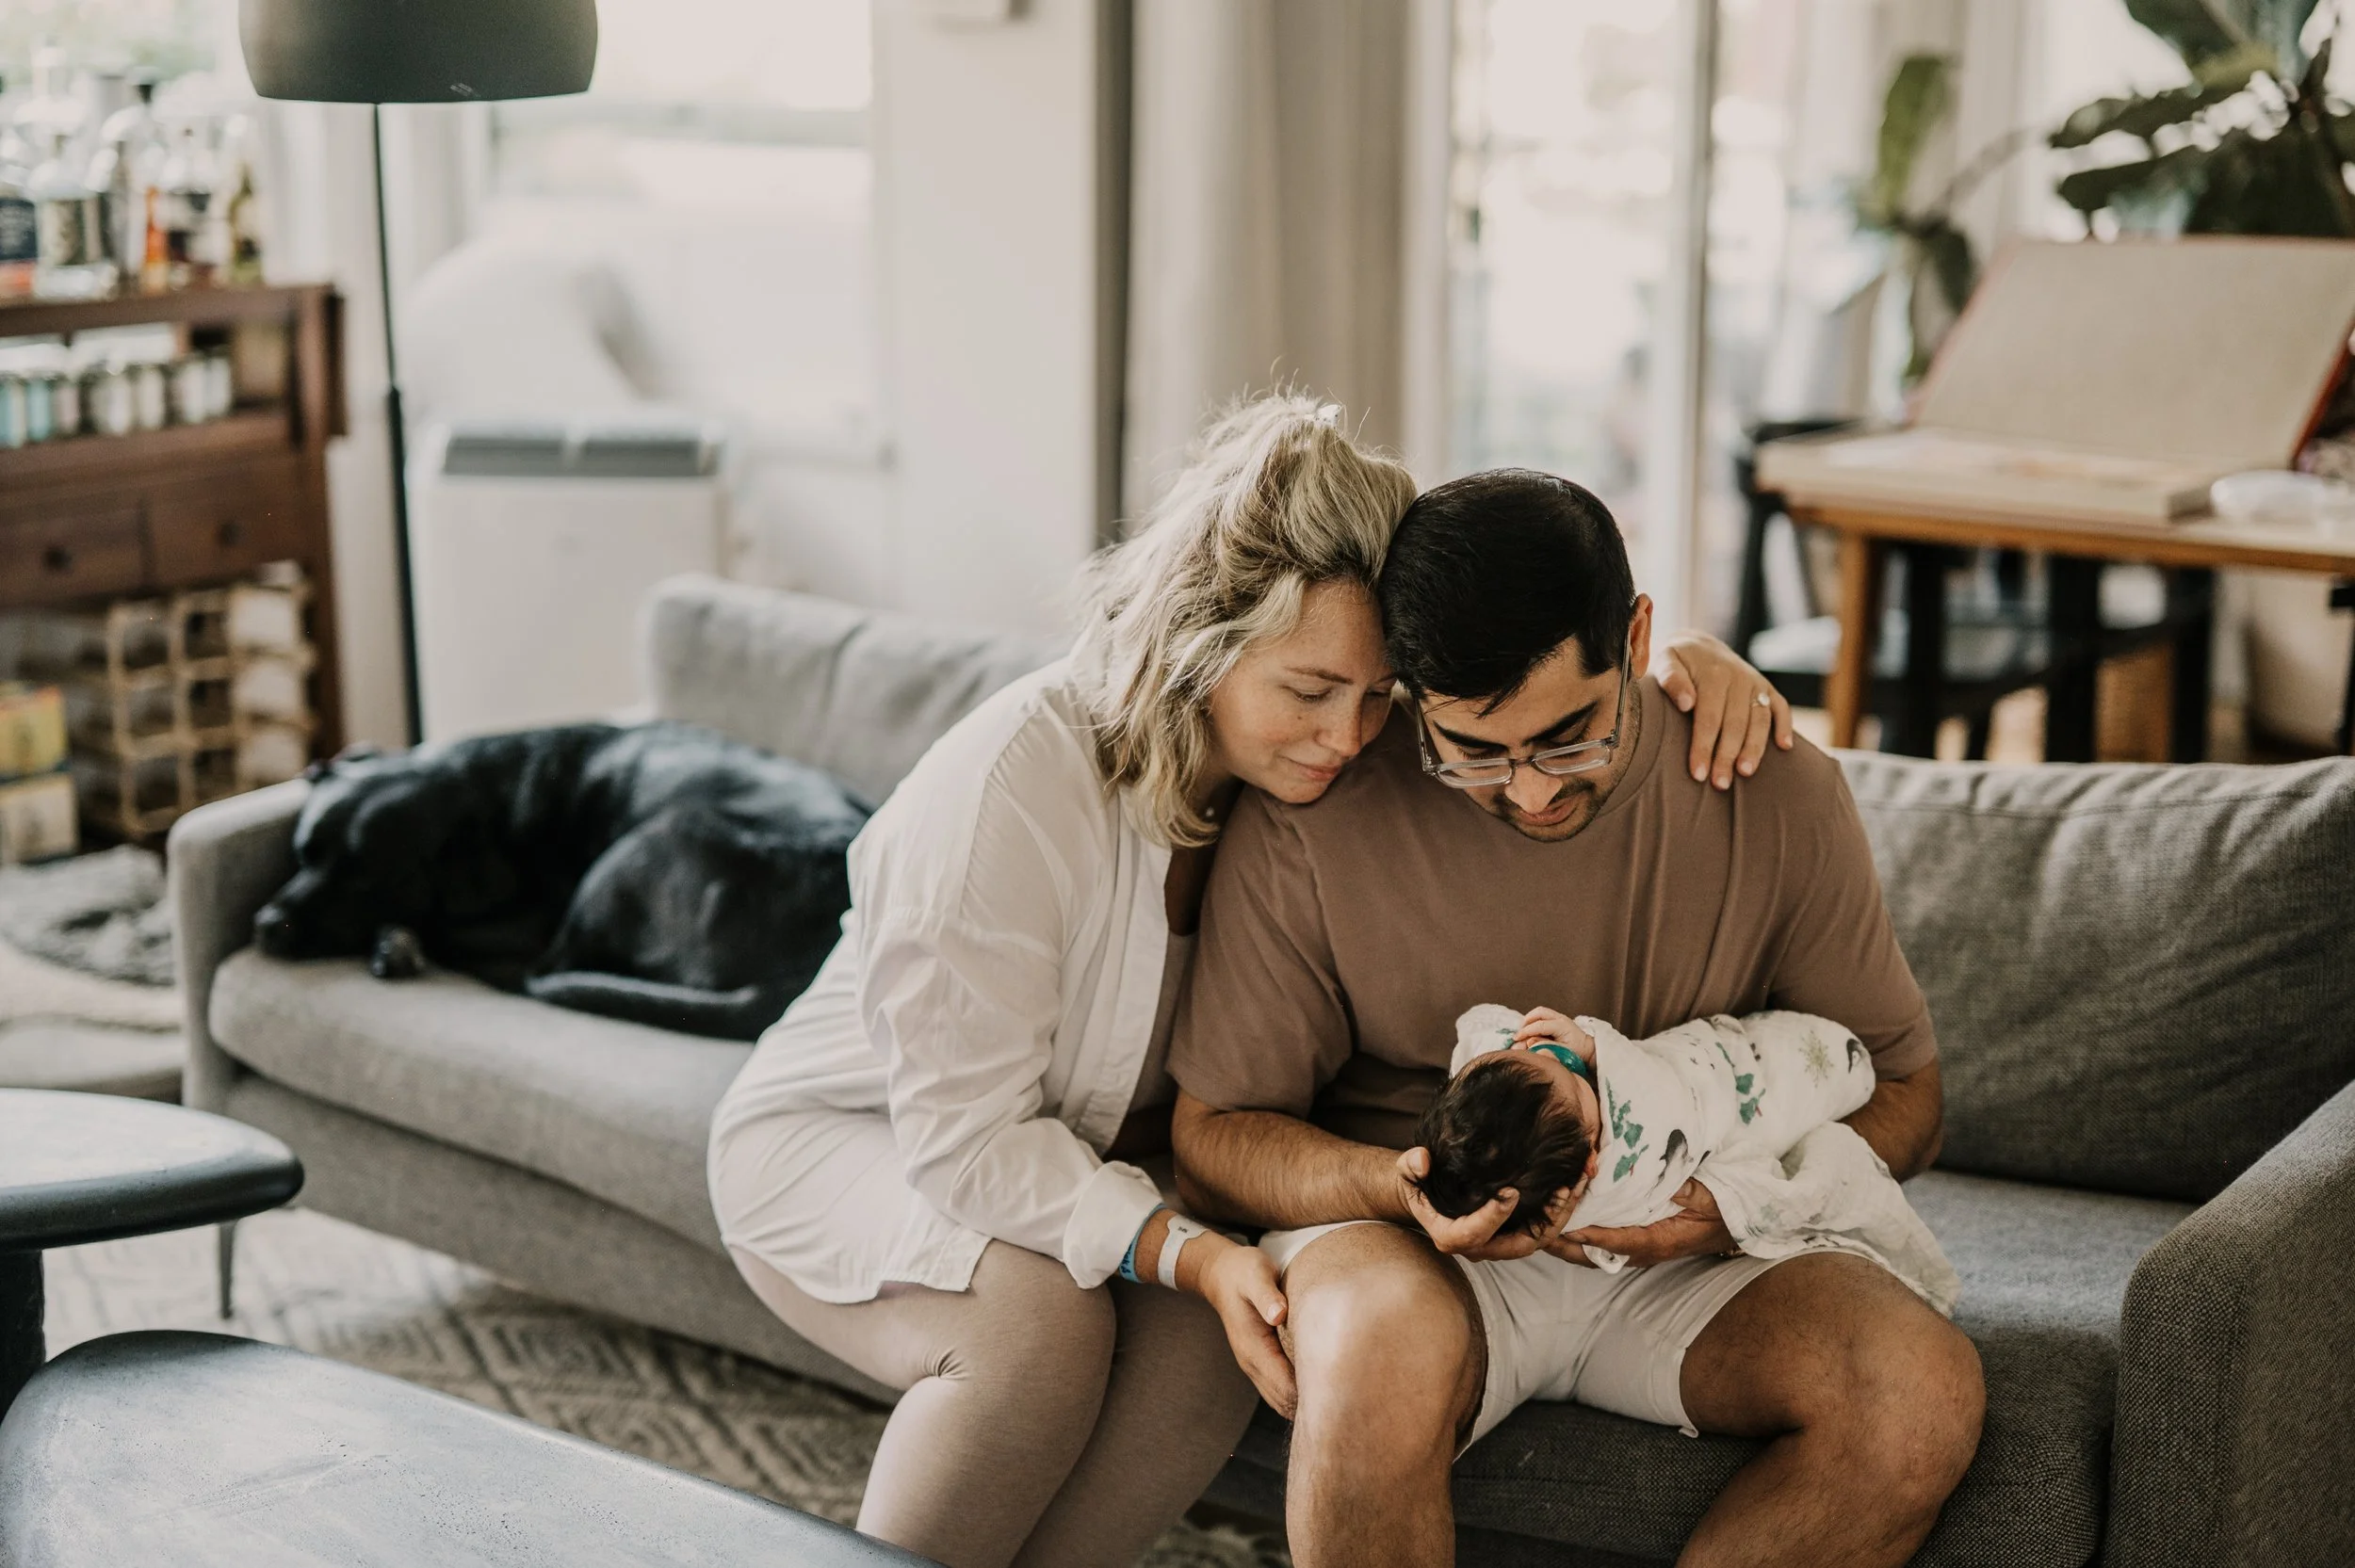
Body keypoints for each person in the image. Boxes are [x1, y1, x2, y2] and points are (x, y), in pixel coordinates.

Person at [706, 402, 1794, 1568]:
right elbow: (964, 1146)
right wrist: (1195, 1248)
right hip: (866, 1144)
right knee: (1039, 1333)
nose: (1348, 734)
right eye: (1311, 689)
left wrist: (1675, 670)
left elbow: (1529, 657)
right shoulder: (1006, 796)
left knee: (1203, 1350)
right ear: (1200, 641)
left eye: (1378, 696)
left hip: (1084, 1169)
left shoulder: (1337, 760)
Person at [1169, 467, 1985, 1568]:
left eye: (1569, 737)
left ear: (1638, 635)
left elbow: (1911, 1102)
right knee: (1367, 1356)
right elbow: (1213, 1136)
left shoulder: (1773, 790)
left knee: (1917, 1392)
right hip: (1408, 1249)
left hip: (1697, 1253)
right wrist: (1404, 1188)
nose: (1531, 793)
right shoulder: (1319, 814)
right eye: (1472, 753)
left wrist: (1722, 1207)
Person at [1410, 1004, 1959, 1310]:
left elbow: (1476, 1026)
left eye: (1534, 1056)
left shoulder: (1510, 1106)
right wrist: (1600, 1050)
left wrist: (1500, 1057)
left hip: (1727, 1045)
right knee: (1794, 1086)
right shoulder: (1630, 1159)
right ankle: (1835, 1068)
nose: (1564, 1059)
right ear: (1587, 1169)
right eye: (1579, 1086)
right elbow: (1662, 1095)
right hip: (1744, 1095)